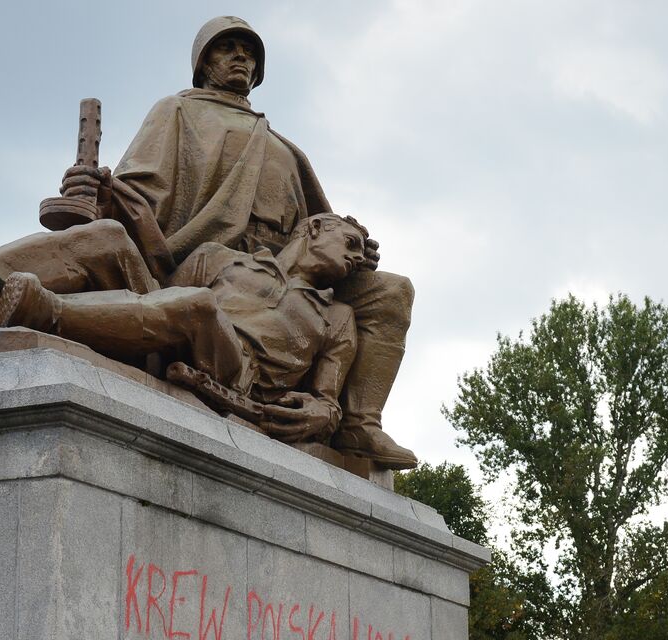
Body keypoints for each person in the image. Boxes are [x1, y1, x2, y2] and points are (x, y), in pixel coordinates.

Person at [58, 16, 418, 468]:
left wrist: (355, 250)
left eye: (248, 53)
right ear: (204, 62)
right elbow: (137, 192)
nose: (241, 58)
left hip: (284, 272)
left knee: (392, 291)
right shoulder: (178, 110)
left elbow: (317, 228)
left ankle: (360, 425)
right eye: (227, 48)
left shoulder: (283, 146)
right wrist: (97, 191)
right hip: (207, 258)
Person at [0, 213, 368, 444]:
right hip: (170, 334)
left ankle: (45, 311)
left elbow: (329, 402)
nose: (357, 258)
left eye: (361, 252)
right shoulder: (222, 259)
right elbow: (161, 297)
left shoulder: (337, 317)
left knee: (200, 307)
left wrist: (324, 414)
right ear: (312, 229)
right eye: (350, 243)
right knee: (109, 235)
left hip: (235, 370)